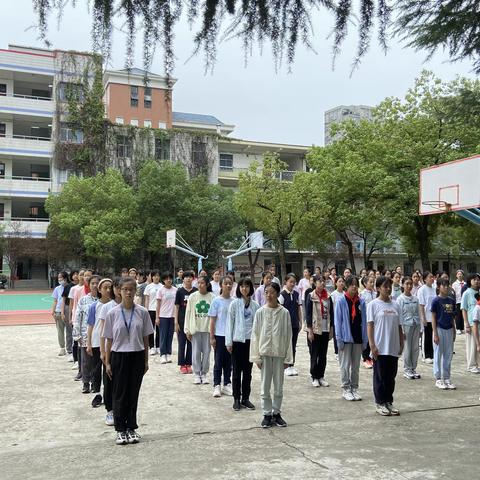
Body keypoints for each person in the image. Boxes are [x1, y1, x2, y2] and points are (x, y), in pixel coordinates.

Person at [104, 276, 154, 445]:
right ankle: (120, 430)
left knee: (133, 394)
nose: (128, 292)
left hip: (137, 355)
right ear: (119, 291)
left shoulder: (143, 312)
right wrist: (108, 362)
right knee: (119, 394)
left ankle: (131, 427)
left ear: (135, 291)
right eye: (124, 289)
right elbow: (108, 339)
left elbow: (146, 338)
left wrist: (146, 361)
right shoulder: (112, 313)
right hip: (118, 356)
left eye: (131, 289)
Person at [250, 282, 293, 428]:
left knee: (279, 386)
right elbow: (255, 335)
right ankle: (267, 414)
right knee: (265, 386)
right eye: (266, 292)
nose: (269, 295)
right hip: (265, 354)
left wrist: (288, 357)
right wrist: (256, 356)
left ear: (277, 294)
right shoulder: (260, 312)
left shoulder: (284, 313)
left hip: (280, 354)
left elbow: (288, 335)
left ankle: (277, 413)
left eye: (272, 292)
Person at [367, 276, 404, 416]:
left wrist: (401, 343)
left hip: (393, 346)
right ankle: (380, 402)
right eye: (384, 286)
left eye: (389, 286)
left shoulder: (396, 305)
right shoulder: (373, 305)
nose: (388, 289)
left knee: (391, 376)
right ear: (378, 288)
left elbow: (399, 326)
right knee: (380, 376)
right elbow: (370, 326)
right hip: (380, 347)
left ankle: (389, 401)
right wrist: (372, 345)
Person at [226, 278, 260, 411]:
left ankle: (245, 398)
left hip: (250, 343)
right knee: (236, 373)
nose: (244, 288)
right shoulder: (234, 304)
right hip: (237, 342)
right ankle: (236, 398)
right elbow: (230, 324)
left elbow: (257, 326)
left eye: (247, 286)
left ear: (251, 288)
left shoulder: (255, 306)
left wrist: (257, 344)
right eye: (241, 286)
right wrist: (229, 342)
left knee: (248, 372)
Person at [334, 276, 367, 401]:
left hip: (358, 337)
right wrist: (339, 339)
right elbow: (338, 321)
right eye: (351, 284)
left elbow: (364, 321)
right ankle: (346, 388)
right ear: (347, 286)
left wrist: (365, 340)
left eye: (356, 285)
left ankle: (354, 388)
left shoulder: (361, 302)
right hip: (346, 338)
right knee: (345, 365)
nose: (354, 287)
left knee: (356, 366)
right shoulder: (341, 301)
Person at [87, 278, 113, 407]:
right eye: (105, 288)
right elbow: (90, 325)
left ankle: (107, 394)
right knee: (96, 370)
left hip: (111, 343)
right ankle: (97, 393)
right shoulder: (94, 306)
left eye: (110, 287)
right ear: (99, 290)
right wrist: (89, 343)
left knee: (108, 370)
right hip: (97, 342)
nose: (108, 290)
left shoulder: (115, 304)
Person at [99, 277, 122, 426]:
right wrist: (103, 352)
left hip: (124, 350)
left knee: (122, 382)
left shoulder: (132, 307)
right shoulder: (107, 307)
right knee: (109, 381)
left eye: (123, 288)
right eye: (117, 287)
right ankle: (110, 410)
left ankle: (120, 409)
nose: (119, 290)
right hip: (110, 350)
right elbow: (103, 332)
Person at [184, 276, 214, 384]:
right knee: (195, 352)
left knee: (206, 352)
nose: (200, 285)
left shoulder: (212, 297)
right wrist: (187, 329)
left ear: (207, 284)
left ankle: (204, 373)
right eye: (198, 283)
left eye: (202, 283)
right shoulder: (192, 297)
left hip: (207, 329)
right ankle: (197, 373)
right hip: (195, 329)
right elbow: (188, 313)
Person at [305, 275, 333, 388]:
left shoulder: (329, 296)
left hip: (325, 329)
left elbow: (332, 313)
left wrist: (331, 328)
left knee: (323, 354)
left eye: (323, 281)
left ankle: (321, 376)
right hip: (315, 329)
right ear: (315, 283)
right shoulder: (310, 296)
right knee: (314, 353)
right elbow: (308, 314)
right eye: (319, 281)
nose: (322, 283)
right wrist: (310, 330)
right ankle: (314, 377)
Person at [209, 276, 234, 397]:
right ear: (221, 285)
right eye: (226, 283)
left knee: (229, 362)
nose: (228, 286)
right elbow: (212, 321)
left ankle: (227, 384)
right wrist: (212, 337)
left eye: (230, 283)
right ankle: (217, 385)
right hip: (219, 335)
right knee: (218, 361)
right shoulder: (216, 301)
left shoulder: (234, 301)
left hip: (231, 336)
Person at [74, 275, 100, 394]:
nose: (95, 285)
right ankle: (85, 383)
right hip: (85, 335)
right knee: (86, 361)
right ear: (89, 285)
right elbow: (78, 317)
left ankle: (96, 383)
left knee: (97, 361)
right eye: (93, 283)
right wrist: (77, 335)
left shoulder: (104, 300)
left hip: (99, 336)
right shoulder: (83, 300)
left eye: (97, 283)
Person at [431, 279, 457, 390]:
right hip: (439, 329)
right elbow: (433, 317)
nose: (446, 287)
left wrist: (454, 330)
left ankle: (447, 378)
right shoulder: (436, 301)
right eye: (444, 285)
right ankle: (438, 378)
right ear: (438, 287)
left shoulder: (451, 300)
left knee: (448, 355)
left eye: (447, 285)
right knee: (438, 354)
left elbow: (452, 317)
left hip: (449, 329)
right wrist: (435, 333)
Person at [397, 276, 421, 380]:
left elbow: (418, 313)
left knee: (415, 348)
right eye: (407, 283)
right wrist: (401, 329)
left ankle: (413, 368)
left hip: (415, 324)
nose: (409, 286)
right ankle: (407, 369)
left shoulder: (415, 299)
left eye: (410, 284)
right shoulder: (400, 299)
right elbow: (399, 315)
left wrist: (421, 328)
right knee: (407, 348)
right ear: (402, 285)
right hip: (406, 325)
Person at [279, 274, 302, 376]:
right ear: (285, 282)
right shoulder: (282, 295)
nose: (292, 284)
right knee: (286, 345)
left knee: (293, 345)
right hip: (285, 325)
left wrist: (300, 321)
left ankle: (292, 364)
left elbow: (298, 309)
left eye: (294, 282)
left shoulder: (296, 294)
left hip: (295, 323)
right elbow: (279, 310)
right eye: (290, 282)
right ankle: (285, 365)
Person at [174, 271, 196, 374]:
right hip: (181, 321)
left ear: (193, 279)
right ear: (183, 279)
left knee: (191, 344)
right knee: (182, 344)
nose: (188, 279)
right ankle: (182, 365)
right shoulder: (179, 291)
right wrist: (176, 322)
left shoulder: (196, 291)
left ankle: (189, 364)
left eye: (190, 277)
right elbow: (177, 307)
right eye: (186, 277)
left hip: (192, 322)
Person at [156, 272, 178, 364]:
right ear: (163, 280)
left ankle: (168, 353)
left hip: (172, 316)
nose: (168, 280)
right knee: (163, 335)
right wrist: (157, 317)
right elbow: (158, 305)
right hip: (163, 315)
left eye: (170, 278)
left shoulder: (176, 290)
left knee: (170, 335)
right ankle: (162, 354)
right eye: (166, 278)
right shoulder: (160, 290)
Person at [461, 273, 480, 373]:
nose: (477, 281)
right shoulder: (467, 293)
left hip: (478, 322)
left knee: (478, 344)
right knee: (472, 344)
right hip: (471, 323)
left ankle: (477, 364)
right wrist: (466, 324)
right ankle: (471, 365)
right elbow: (464, 309)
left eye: (478, 280)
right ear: (470, 281)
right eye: (474, 279)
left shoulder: (479, 292)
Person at [418, 272, 436, 364]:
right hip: (426, 316)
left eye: (432, 277)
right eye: (430, 277)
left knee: (433, 336)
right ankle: (426, 355)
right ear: (425, 279)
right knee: (427, 336)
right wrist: (423, 318)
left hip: (434, 317)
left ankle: (432, 354)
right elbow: (421, 305)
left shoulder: (434, 289)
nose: (432, 278)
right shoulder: (422, 290)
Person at [143, 270, 162, 355]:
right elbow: (147, 299)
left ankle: (158, 346)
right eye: (155, 276)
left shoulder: (162, 286)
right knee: (151, 329)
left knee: (159, 329)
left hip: (160, 310)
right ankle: (151, 346)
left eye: (158, 275)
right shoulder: (148, 287)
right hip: (150, 309)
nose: (156, 277)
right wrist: (146, 310)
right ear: (152, 277)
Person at [51, 272, 69, 356]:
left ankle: (71, 348)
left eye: (61, 278)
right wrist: (53, 311)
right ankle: (62, 348)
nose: (60, 279)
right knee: (60, 331)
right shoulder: (57, 289)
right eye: (58, 278)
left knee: (70, 331)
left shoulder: (70, 287)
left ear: (66, 278)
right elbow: (55, 301)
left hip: (68, 311)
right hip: (58, 311)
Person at [360, 275, 376, 369]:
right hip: (366, 320)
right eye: (370, 282)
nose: (372, 284)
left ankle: (371, 357)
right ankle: (365, 359)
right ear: (365, 283)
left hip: (375, 320)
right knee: (366, 339)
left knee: (373, 339)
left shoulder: (375, 293)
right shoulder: (362, 294)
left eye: (373, 282)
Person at [61, 271, 75, 361]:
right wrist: (62, 312)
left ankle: (75, 350)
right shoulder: (68, 287)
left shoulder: (83, 287)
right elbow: (63, 300)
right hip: (67, 308)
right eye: (74, 274)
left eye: (78, 274)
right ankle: (69, 350)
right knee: (69, 330)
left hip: (77, 308)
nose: (76, 276)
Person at [452, 270, 465, 334]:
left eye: (461, 274)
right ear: (456, 275)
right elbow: (453, 293)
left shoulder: (465, 284)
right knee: (458, 315)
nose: (460, 275)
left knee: (463, 315)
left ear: (463, 275)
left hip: (464, 301)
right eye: (458, 274)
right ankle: (458, 328)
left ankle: (462, 328)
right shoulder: (454, 284)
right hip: (457, 301)